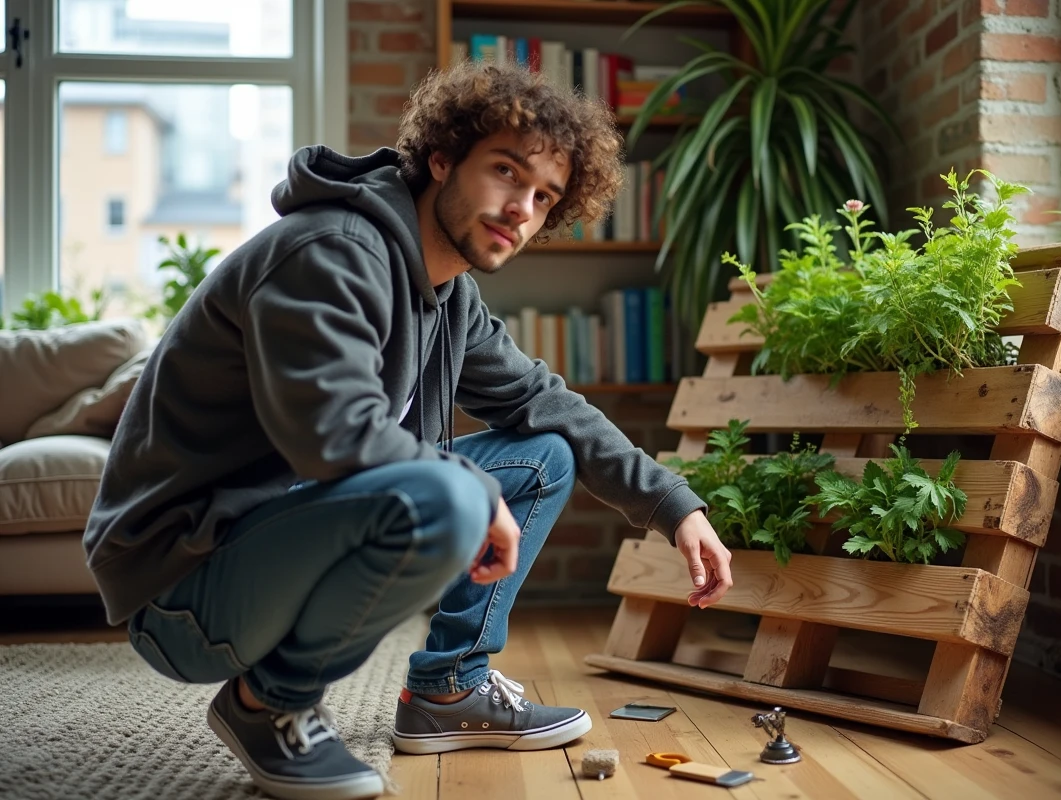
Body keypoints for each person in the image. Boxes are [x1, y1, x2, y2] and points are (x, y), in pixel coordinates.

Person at [83, 61, 733, 800]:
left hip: (268, 537)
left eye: (544, 196)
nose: (522, 208)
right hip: (183, 583)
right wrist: (462, 489)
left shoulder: (448, 294)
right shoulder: (330, 250)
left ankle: (449, 690)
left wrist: (677, 507)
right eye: (506, 172)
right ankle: (269, 706)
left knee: (542, 455)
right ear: (442, 158)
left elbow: (547, 404)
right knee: (448, 496)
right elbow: (330, 432)